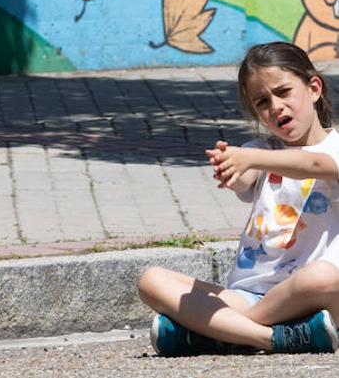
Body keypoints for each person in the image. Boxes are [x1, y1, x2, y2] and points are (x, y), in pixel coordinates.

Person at [137, 41, 339, 356]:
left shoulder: (332, 148)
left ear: (314, 88)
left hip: (308, 296)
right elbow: (244, 178)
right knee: (151, 280)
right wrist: (231, 169)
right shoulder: (260, 149)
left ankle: (211, 333)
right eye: (262, 102)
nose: (276, 107)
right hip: (248, 295)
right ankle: (271, 338)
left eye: (284, 92)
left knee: (325, 277)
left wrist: (250, 158)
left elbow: (314, 165)